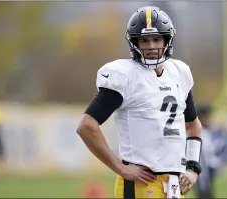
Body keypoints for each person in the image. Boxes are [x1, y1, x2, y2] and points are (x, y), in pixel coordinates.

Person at [77, 6, 202, 198]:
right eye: (144, 40)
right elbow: (86, 126)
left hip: (174, 185)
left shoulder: (179, 72)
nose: (151, 46)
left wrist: (193, 168)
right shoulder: (125, 75)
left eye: (157, 39)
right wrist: (120, 167)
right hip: (140, 185)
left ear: (167, 40)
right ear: (134, 42)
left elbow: (193, 126)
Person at [194, 103, 226, 198]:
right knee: (204, 192)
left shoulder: (211, 130)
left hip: (210, 166)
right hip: (201, 168)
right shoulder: (199, 131)